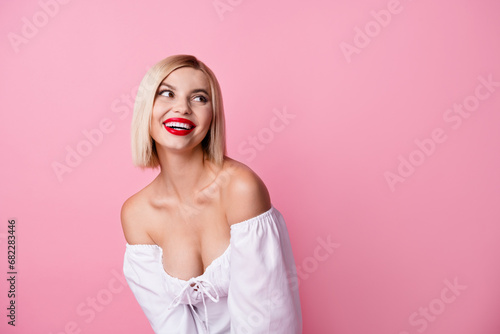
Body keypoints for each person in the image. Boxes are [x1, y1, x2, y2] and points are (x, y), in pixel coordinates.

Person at [121, 54, 302, 333]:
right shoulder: (137, 214)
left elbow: (267, 321)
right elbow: (172, 327)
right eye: (167, 93)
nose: (182, 107)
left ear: (212, 116)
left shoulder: (241, 189)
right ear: (147, 107)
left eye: (199, 98)